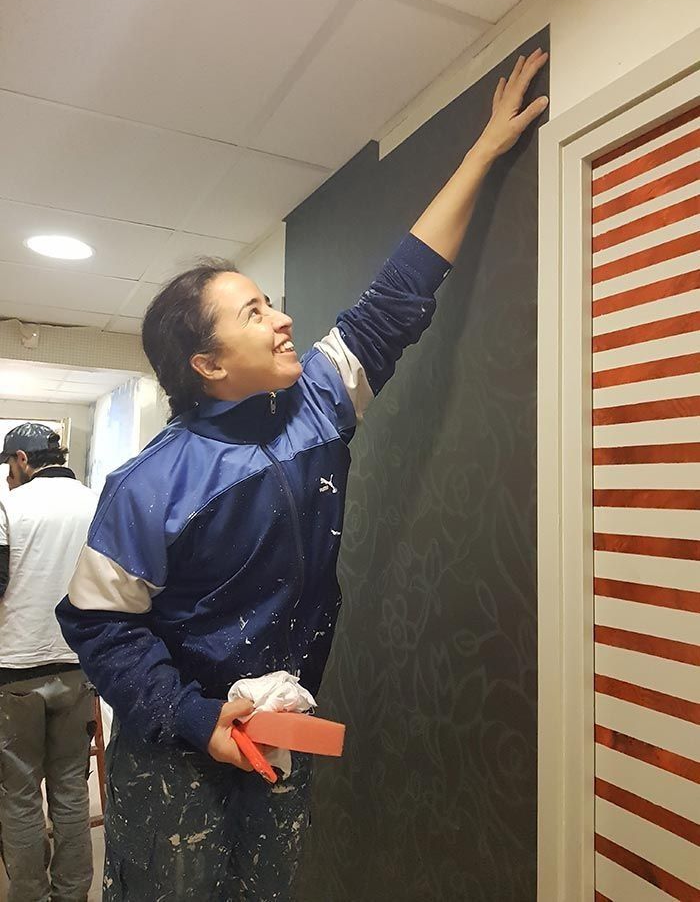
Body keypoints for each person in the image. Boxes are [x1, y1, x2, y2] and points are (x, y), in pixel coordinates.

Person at [57, 49, 549, 900]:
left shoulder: (321, 397)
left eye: (271, 301)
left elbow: (399, 296)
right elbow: (100, 630)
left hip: (285, 728)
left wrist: (483, 153)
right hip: (178, 748)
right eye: (255, 312)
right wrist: (195, 718)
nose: (284, 318)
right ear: (208, 364)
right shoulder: (145, 486)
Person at [0, 423, 98, 902]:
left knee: (18, 795)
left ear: (21, 460)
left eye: (8, 468)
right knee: (70, 791)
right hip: (80, 665)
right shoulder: (97, 501)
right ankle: (73, 895)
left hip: (14, 669)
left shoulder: (8, 507)